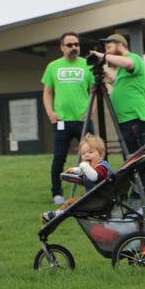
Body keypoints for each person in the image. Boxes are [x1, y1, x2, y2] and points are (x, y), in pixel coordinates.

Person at [89, 33, 145, 199]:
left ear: (120, 44)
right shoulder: (120, 72)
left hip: (134, 118)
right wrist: (110, 80)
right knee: (131, 157)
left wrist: (101, 56)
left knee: (135, 159)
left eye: (109, 47)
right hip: (127, 120)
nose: (107, 52)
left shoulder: (133, 58)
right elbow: (127, 86)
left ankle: (140, 193)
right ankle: (141, 190)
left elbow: (128, 63)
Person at [42, 31, 94, 205]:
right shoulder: (53, 66)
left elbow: (95, 91)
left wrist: (90, 110)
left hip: (83, 121)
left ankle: (93, 189)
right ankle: (57, 193)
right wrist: (50, 112)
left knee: (91, 156)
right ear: (62, 47)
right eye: (70, 45)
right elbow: (47, 93)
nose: (74, 48)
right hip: (61, 121)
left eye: (77, 44)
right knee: (59, 157)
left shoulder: (88, 65)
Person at [41, 134, 113, 223]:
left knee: (72, 203)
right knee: (71, 202)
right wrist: (76, 170)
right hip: (96, 200)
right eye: (83, 153)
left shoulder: (102, 168)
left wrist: (84, 165)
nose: (86, 155)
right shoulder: (93, 168)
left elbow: (94, 176)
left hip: (99, 202)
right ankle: (57, 214)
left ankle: (56, 214)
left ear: (101, 155)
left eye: (90, 152)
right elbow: (88, 173)